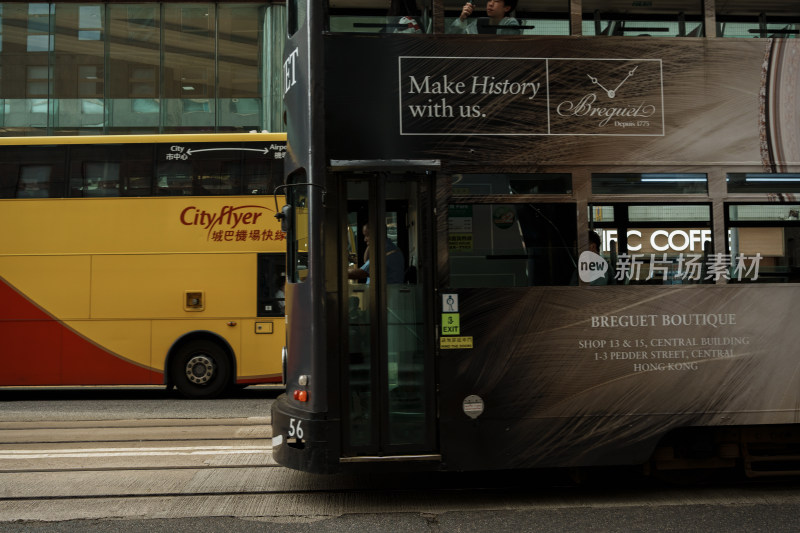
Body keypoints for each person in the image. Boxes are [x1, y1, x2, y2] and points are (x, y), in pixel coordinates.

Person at [450, 0, 520, 35]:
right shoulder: (476, 24)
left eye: (496, 1)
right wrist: (462, 18)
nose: (490, 4)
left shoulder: (510, 23)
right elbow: (454, 38)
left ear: (506, 8)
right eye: (489, 0)